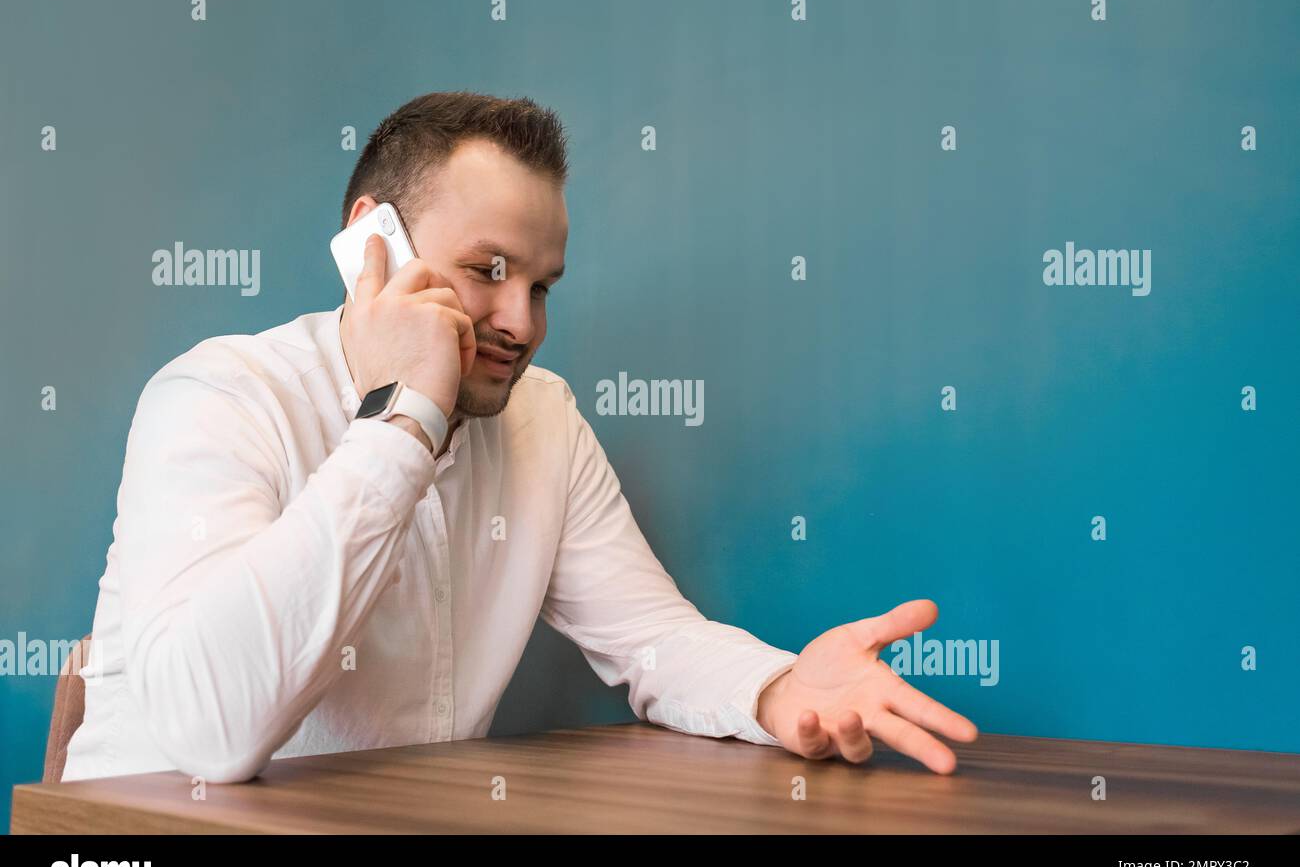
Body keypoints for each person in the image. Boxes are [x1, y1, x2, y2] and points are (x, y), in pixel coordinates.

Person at [62, 91, 977, 784]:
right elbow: (212, 733)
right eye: (488, 271)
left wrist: (779, 691)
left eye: (543, 285)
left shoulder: (543, 418)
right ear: (369, 242)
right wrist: (403, 413)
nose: (521, 321)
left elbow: (654, 640)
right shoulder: (216, 395)